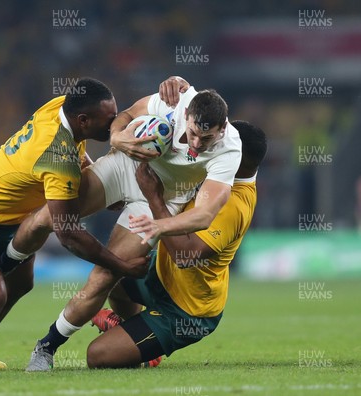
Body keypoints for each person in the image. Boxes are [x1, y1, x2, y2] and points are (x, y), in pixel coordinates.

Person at [21, 77, 243, 371]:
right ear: (186, 115)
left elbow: (204, 215)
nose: (198, 144)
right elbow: (124, 115)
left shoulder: (229, 149)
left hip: (158, 202)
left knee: (104, 276)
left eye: (208, 138)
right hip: (126, 166)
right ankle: (7, 261)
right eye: (193, 134)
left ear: (223, 129)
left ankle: (46, 348)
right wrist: (117, 137)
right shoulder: (173, 100)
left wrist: (159, 226)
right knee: (46, 218)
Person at [0, 77, 148, 371]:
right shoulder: (57, 160)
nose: (113, 126)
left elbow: (73, 148)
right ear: (83, 120)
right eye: (108, 120)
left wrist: (95, 174)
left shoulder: (61, 107)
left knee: (20, 283)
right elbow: (69, 234)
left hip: (13, 213)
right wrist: (120, 266)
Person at [86, 120, 267, 367]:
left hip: (186, 311)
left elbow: (185, 255)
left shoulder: (233, 204)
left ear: (239, 156)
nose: (214, 147)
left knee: (98, 356)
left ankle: (142, 346)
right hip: (160, 275)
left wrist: (154, 198)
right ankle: (135, 336)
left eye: (225, 145)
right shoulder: (220, 173)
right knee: (114, 270)